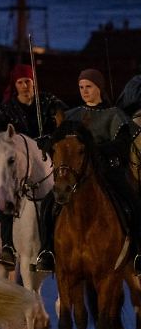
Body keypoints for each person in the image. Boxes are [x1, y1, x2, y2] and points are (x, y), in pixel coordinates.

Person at [35, 69, 141, 274]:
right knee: (48, 203)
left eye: (89, 87)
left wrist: (95, 150)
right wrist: (47, 143)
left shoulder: (115, 115)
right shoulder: (72, 115)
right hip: (78, 175)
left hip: (108, 171)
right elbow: (60, 143)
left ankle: (138, 253)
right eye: (81, 87)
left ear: (99, 88)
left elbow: (122, 144)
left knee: (133, 202)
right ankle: (46, 251)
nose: (84, 91)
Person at [0, 64, 66, 268]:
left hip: (48, 161)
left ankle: (56, 245)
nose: (24, 86)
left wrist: (51, 137)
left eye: (28, 82)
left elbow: (63, 124)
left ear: (34, 83)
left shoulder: (47, 103)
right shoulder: (4, 112)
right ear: (15, 85)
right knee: (6, 198)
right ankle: (7, 246)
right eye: (20, 82)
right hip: (19, 167)